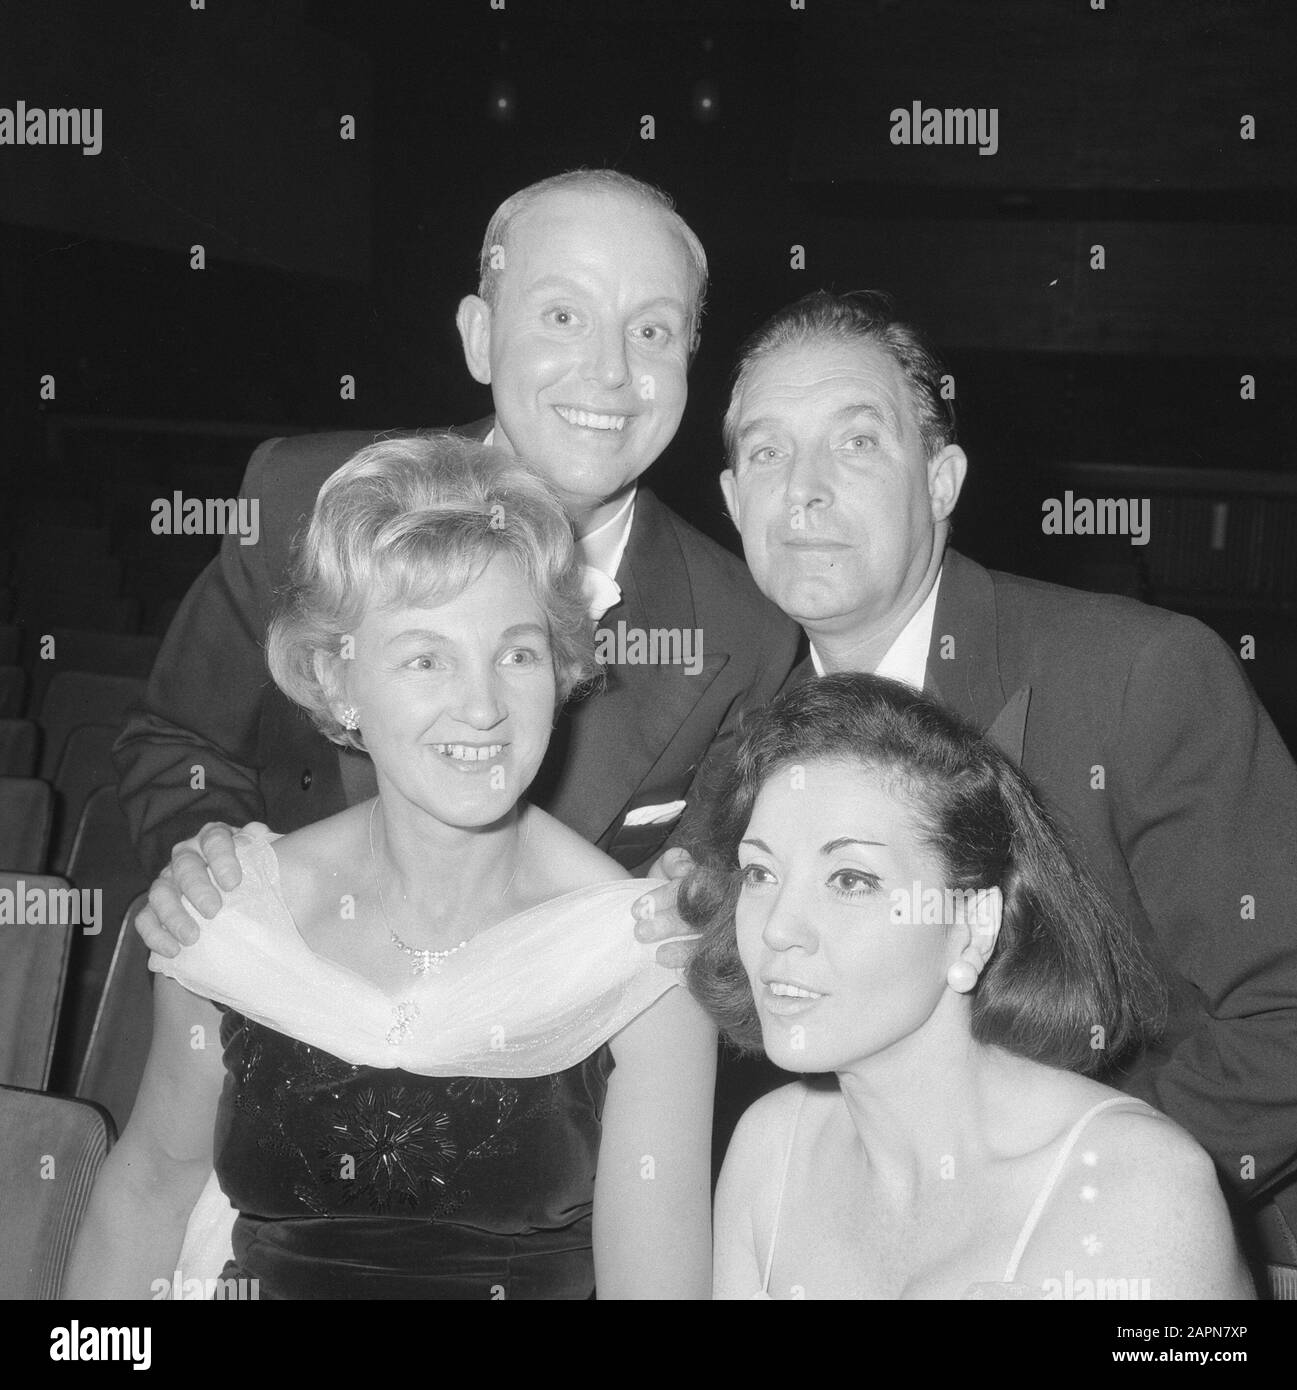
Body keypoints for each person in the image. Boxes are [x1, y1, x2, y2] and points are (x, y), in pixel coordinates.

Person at [640, 290, 1297, 1277]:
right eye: (767, 453)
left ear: (941, 479)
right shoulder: (738, 748)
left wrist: (1057, 1192)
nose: (804, 492)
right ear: (733, 503)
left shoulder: (1136, 674)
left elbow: (1285, 1017)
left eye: (854, 443)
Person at [67, 436, 716, 1300]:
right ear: (339, 684)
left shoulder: (642, 954)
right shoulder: (233, 908)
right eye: (424, 658)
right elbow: (148, 1191)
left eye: (516, 654)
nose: (483, 706)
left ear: (560, 671)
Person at [116, 168, 800, 947]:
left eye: (651, 331)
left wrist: (696, 907)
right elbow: (179, 742)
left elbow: (704, 881)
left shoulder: (747, 630)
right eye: (563, 315)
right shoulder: (300, 500)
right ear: (480, 337)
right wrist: (206, 850)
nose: (611, 370)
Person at [684, 672, 1253, 1300]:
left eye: (850, 880)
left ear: (972, 926)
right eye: (760, 872)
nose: (779, 929)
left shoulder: (1141, 1191)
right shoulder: (770, 1148)